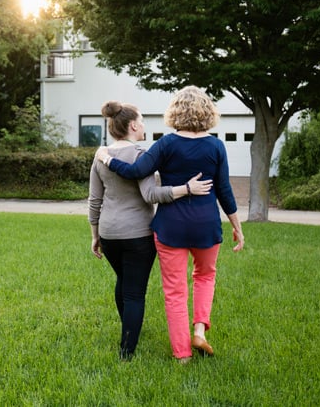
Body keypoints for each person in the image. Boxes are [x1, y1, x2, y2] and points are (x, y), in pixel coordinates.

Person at [96, 86, 245, 365]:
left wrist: (108, 159)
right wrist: (237, 225)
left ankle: (182, 355)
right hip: (206, 225)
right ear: (207, 112)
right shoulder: (216, 146)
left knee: (174, 291)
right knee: (204, 276)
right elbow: (224, 190)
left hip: (170, 227)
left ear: (175, 111)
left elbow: (136, 172)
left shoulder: (165, 144)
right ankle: (199, 330)